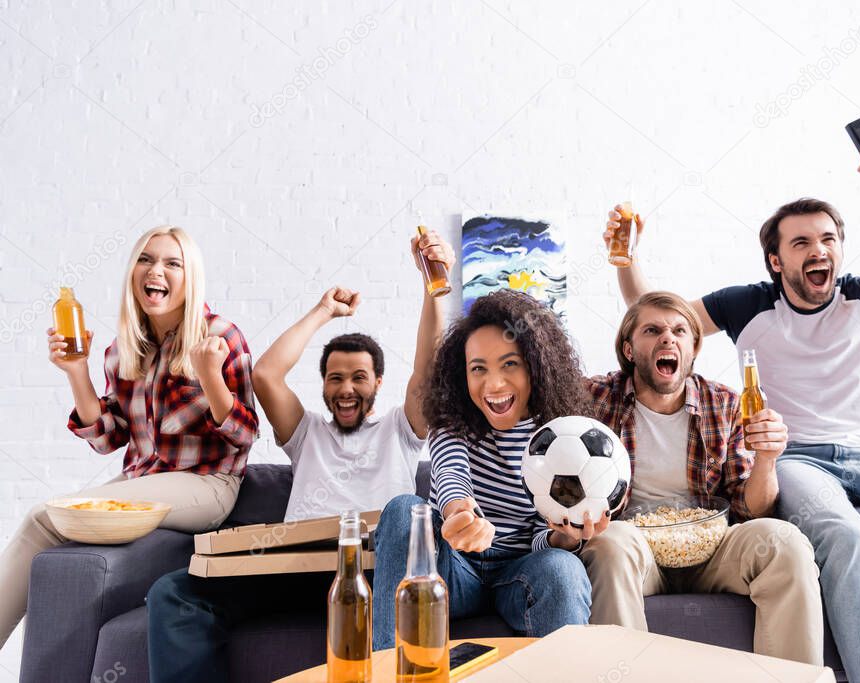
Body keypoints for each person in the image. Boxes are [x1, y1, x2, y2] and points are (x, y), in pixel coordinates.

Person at [604, 139, 860, 683]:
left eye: (828, 239)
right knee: (848, 539)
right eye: (801, 242)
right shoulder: (748, 304)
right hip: (796, 460)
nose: (818, 249)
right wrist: (626, 260)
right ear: (777, 261)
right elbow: (662, 322)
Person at [146, 230, 454, 683]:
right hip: (294, 572)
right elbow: (266, 373)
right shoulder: (306, 432)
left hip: (373, 573)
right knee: (173, 594)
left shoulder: (401, 431)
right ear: (324, 385)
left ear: (379, 383)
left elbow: (428, 370)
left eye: (359, 378)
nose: (346, 389)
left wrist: (431, 288)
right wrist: (324, 311)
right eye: (334, 378)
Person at [0, 225, 258, 649]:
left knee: (53, 516)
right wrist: (77, 372)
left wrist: (211, 377)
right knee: (42, 520)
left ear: (189, 277)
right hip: (145, 481)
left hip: (209, 484)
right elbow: (107, 437)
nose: (156, 270)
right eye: (146, 259)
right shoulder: (124, 350)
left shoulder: (220, 336)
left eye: (172, 263)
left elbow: (245, 435)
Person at [578, 291, 823, 665]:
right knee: (609, 541)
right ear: (629, 350)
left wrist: (768, 460)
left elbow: (751, 506)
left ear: (692, 348)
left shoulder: (724, 403)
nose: (667, 338)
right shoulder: (595, 398)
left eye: (680, 330)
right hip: (638, 553)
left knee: (785, 541)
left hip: (711, 549)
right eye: (652, 330)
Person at [371, 289, 592, 650]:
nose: (493, 385)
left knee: (562, 568)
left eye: (509, 364)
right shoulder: (452, 419)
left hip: (521, 574)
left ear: (535, 367)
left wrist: (565, 536)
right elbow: (450, 476)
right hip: (453, 572)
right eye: (478, 369)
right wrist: (461, 515)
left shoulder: (561, 437)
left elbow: (542, 541)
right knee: (402, 510)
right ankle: (387, 670)